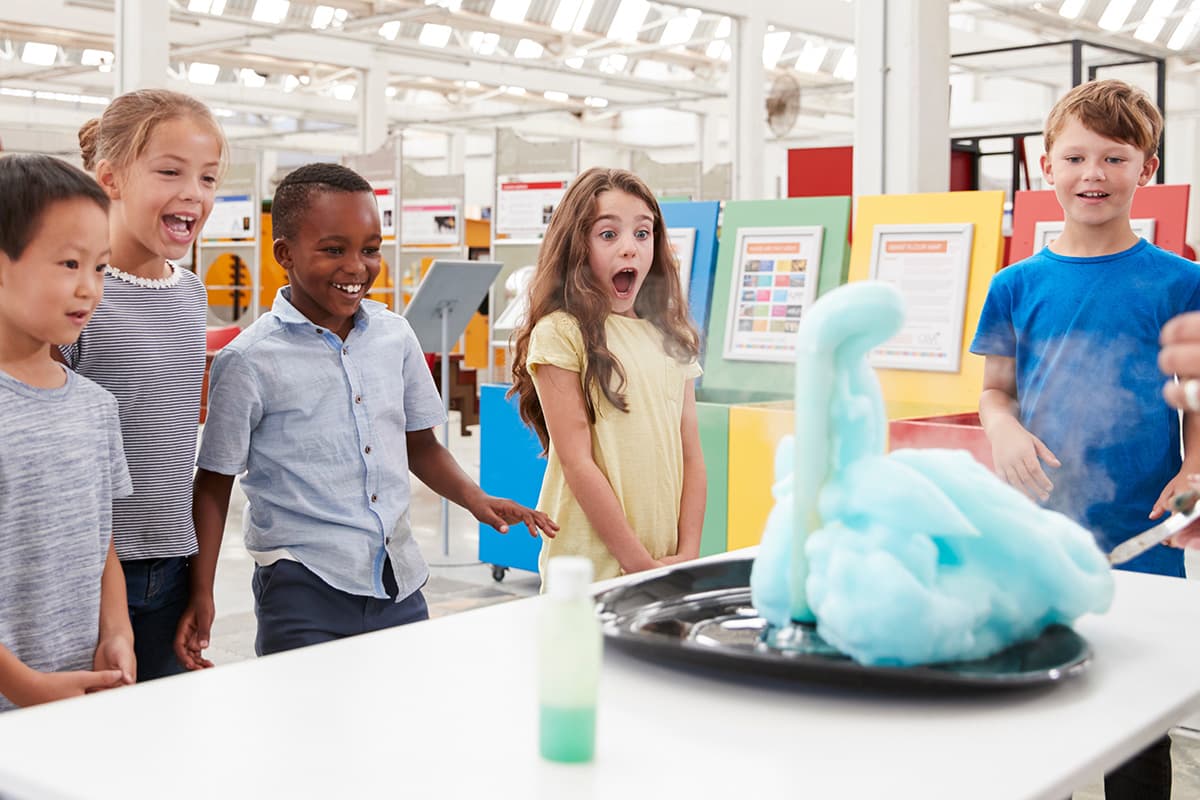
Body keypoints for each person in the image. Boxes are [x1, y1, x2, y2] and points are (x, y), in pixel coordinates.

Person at [191, 163, 557, 659]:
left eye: (369, 249)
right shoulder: (248, 361)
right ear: (285, 255)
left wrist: (475, 498)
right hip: (303, 587)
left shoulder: (394, 336)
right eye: (333, 250)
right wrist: (200, 591)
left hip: (398, 581)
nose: (357, 267)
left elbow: (419, 445)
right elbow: (213, 484)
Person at [972, 79, 1200, 800]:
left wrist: (1195, 465)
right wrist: (1003, 429)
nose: (1093, 174)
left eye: (1114, 157)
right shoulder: (1014, 286)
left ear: (1148, 167)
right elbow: (994, 393)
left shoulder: (1182, 283)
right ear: (1045, 167)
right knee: (1045, 715)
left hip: (1142, 537)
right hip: (1040, 535)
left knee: (1138, 726)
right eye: (1074, 158)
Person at [66, 89, 227, 680]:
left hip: (171, 560)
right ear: (109, 178)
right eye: (170, 172)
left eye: (208, 178)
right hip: (87, 567)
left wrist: (198, 583)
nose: (194, 193)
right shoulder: (79, 294)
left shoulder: (190, 294)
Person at [508, 167, 706, 585]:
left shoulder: (672, 336)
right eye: (608, 234)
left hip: (664, 563)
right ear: (577, 245)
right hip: (590, 571)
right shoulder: (562, 332)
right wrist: (638, 566)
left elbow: (692, 454)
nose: (630, 249)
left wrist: (688, 553)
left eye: (643, 233)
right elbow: (578, 463)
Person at [0, 154, 135, 709]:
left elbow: (99, 540)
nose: (90, 289)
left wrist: (117, 632)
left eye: (100, 267)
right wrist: (20, 684)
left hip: (75, 698)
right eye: (68, 264)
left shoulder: (95, 407)